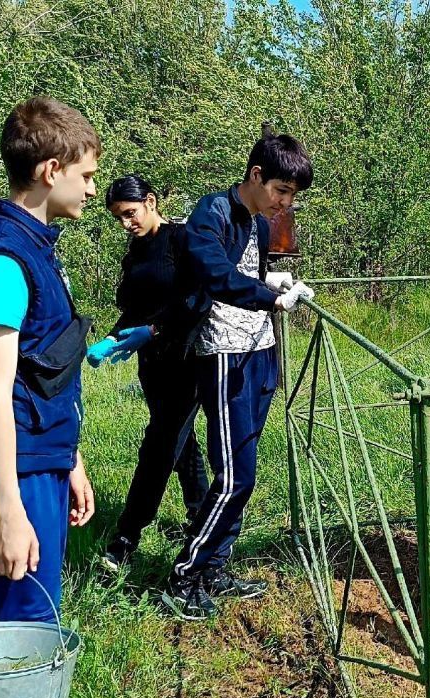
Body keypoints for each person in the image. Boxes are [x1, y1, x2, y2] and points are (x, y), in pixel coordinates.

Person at [0, 96, 100, 625]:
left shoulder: (36, 251)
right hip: (8, 479)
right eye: (86, 176)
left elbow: (41, 373)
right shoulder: (5, 260)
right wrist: (9, 510)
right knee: (14, 636)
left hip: (36, 463)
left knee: (35, 630)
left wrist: (68, 458)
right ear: (50, 171)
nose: (92, 190)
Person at [160, 133, 315, 620]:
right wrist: (270, 297)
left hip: (259, 350)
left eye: (292, 195)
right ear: (256, 175)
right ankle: (184, 574)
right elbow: (214, 276)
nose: (286, 203)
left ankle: (215, 567)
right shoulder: (211, 213)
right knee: (234, 476)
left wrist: (271, 280)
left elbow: (244, 272)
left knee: (243, 468)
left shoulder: (259, 224)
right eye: (282, 191)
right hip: (223, 354)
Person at [88, 175, 210, 572]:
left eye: (130, 213)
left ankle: (126, 537)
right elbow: (134, 308)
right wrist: (111, 338)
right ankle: (200, 516)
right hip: (152, 364)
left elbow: (197, 299)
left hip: (186, 359)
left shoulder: (182, 240)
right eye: (119, 218)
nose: (126, 223)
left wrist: (155, 329)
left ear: (151, 202)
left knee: (158, 447)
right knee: (179, 441)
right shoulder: (137, 250)